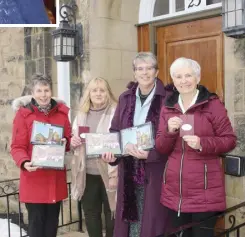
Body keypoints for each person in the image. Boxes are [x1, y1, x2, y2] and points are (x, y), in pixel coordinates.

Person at [155, 57, 237, 237]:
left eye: (188, 75)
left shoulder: (213, 104)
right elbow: (161, 147)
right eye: (178, 77)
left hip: (205, 192)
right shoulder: (167, 107)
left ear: (198, 78)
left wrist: (202, 143)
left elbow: (229, 140)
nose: (183, 81)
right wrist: (169, 131)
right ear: (173, 81)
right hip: (175, 191)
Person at [102, 52, 169, 237]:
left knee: (151, 222)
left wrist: (151, 154)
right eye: (140, 69)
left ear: (156, 72)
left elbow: (173, 137)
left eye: (149, 68)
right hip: (129, 169)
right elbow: (115, 130)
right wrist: (112, 153)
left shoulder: (168, 98)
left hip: (156, 170)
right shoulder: (125, 98)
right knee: (130, 224)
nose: (144, 73)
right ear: (134, 73)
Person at [10, 73, 71, 237]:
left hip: (55, 179)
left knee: (51, 227)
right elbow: (17, 146)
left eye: (46, 90)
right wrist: (24, 162)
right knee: (36, 227)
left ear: (51, 91)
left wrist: (66, 142)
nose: (43, 95)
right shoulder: (23, 115)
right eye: (39, 91)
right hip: (34, 178)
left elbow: (68, 139)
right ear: (32, 92)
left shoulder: (62, 115)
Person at [70, 77, 118, 237]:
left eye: (102, 90)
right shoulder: (81, 115)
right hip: (87, 173)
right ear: (88, 93)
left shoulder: (116, 112)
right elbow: (74, 141)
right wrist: (73, 141)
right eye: (94, 90)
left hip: (110, 172)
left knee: (113, 214)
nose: (98, 93)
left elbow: (121, 140)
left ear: (108, 93)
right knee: (91, 215)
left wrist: (114, 152)